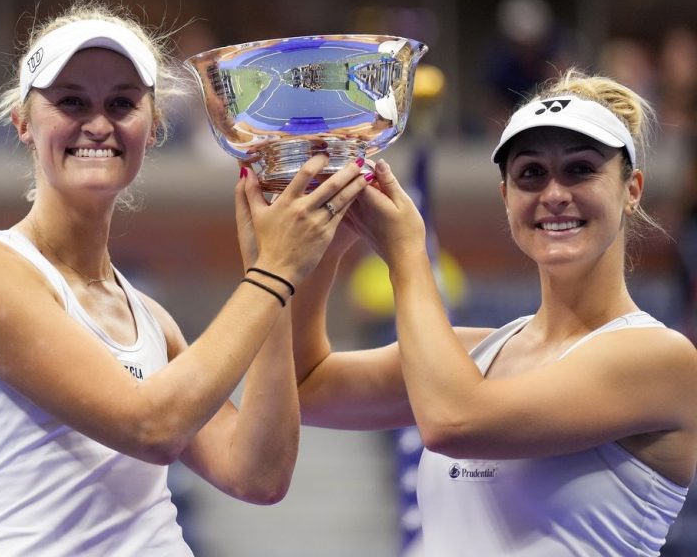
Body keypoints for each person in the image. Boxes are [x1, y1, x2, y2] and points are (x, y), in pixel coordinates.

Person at [0, 0, 371, 557]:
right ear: (23, 122)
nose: (97, 123)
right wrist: (272, 273)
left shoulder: (150, 319)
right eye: (70, 101)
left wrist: (276, 281)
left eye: (121, 103)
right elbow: (150, 428)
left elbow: (257, 474)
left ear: (153, 126)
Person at [292, 69, 697, 556]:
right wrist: (323, 252)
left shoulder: (661, 359)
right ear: (506, 198)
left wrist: (406, 254)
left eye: (580, 169)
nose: (553, 194)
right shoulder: (473, 355)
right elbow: (301, 389)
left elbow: (452, 422)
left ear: (632, 189)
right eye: (531, 173)